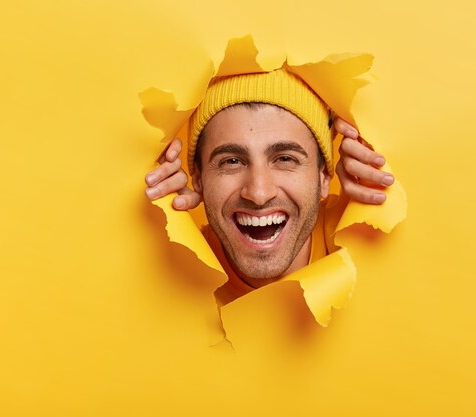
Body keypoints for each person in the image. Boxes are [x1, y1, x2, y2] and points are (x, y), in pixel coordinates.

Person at [144, 68, 394, 303]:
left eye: (285, 159)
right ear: (197, 177)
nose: (259, 193)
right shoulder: (169, 274)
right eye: (232, 162)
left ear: (324, 175)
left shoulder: (360, 251)